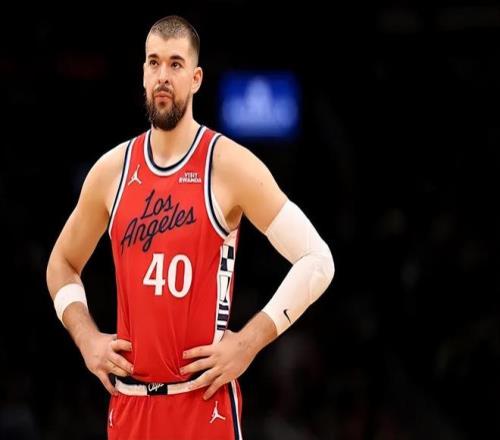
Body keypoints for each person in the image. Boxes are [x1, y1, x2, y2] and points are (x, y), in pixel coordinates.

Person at [46, 15, 334, 440]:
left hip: (202, 403)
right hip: (129, 406)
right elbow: (62, 263)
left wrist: (248, 342)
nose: (163, 75)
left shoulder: (229, 164)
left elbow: (317, 260)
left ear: (196, 78)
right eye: (154, 63)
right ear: (143, 74)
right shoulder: (111, 172)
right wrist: (86, 337)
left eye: (176, 64)